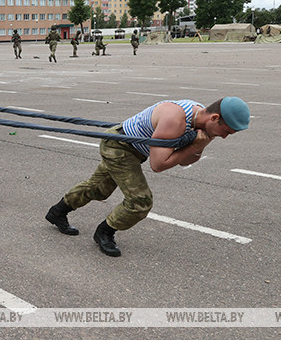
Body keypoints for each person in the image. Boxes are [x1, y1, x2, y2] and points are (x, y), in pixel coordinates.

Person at [45, 97, 250, 257]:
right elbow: (158, 165)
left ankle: (57, 212)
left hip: (132, 149)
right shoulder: (176, 119)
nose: (223, 137)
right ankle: (104, 232)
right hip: (119, 146)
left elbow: (187, 161)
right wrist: (196, 145)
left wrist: (199, 145)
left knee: (99, 188)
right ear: (214, 118)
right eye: (226, 132)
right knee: (140, 201)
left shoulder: (204, 125)